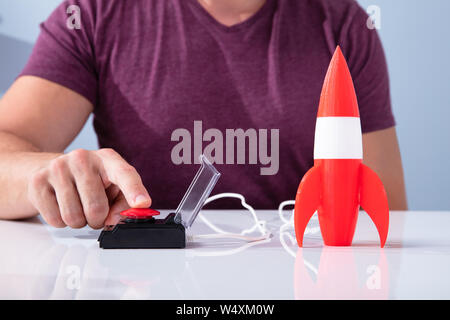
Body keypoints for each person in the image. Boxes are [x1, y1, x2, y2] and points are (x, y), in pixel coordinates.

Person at [0, 0, 407, 229]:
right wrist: (53, 175)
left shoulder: (345, 24)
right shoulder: (92, 15)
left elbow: (385, 216)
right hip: (142, 282)